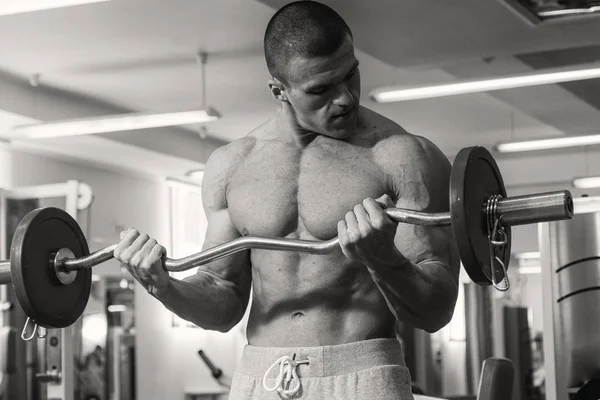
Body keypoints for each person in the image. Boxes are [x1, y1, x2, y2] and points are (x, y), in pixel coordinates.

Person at [114, 1, 460, 399]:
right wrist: (164, 287)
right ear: (279, 90)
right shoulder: (233, 165)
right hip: (260, 378)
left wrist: (384, 258)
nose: (345, 98)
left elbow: (436, 311)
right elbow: (222, 298)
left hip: (360, 374)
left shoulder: (402, 157)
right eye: (321, 90)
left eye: (351, 75)